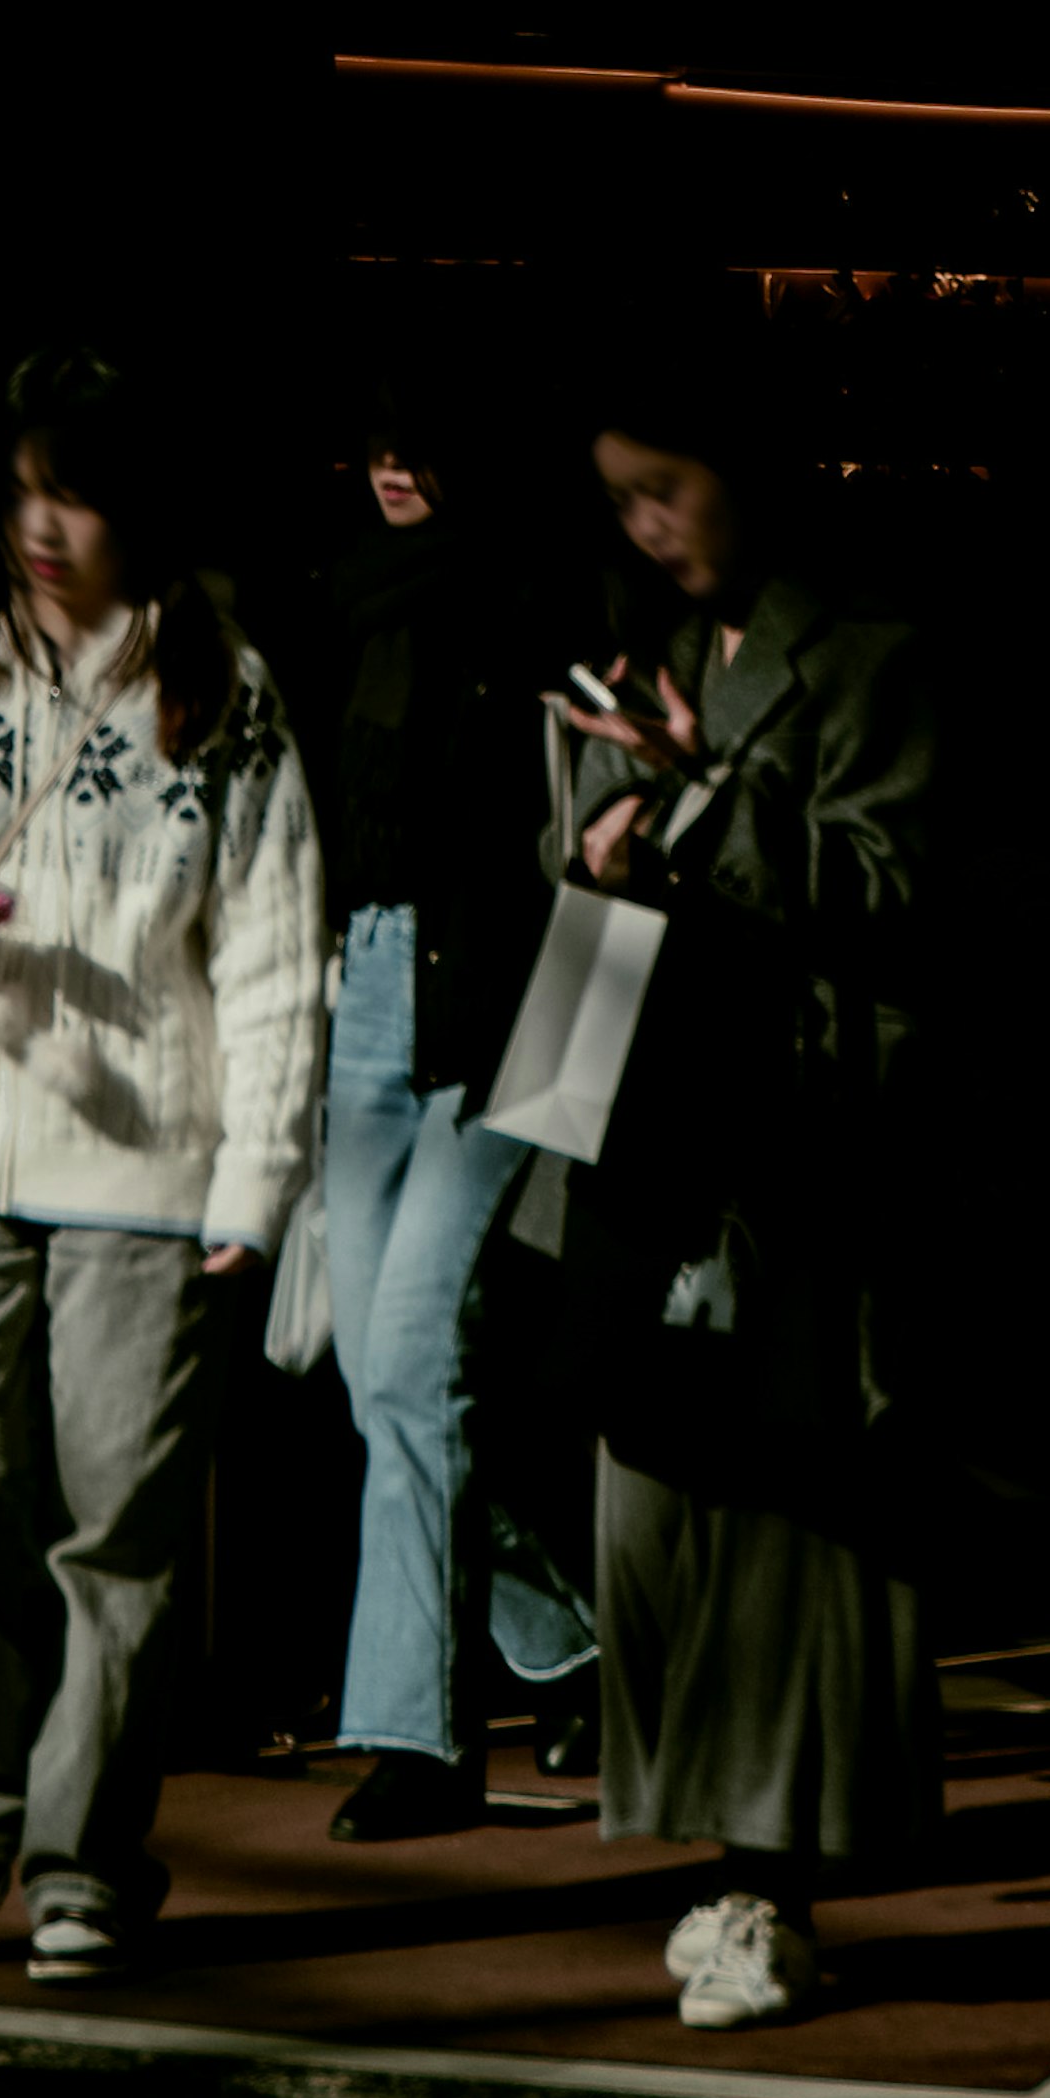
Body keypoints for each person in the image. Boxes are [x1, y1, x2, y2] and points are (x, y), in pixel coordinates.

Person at [0, 350, 323, 1991]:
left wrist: (255, 1182)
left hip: (146, 1157)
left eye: (82, 490)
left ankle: (84, 1854)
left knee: (119, 1516)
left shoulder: (226, 689)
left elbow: (270, 949)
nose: (44, 522)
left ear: (142, 509)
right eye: (26, 483)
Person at [541, 311, 940, 2036]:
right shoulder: (638, 652)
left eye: (667, 487)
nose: (644, 524)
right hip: (655, 1136)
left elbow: (901, 894)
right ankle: (725, 1867)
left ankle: (769, 1880)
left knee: (777, 1524)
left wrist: (707, 804)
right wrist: (594, 843)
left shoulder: (866, 654)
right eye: (621, 497)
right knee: (663, 1505)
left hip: (793, 1145)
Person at [311, 383, 593, 1834]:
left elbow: (604, 838)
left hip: (504, 1015)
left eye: (423, 437)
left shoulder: (539, 601)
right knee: (382, 1375)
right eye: (374, 439)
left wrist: (573, 1081)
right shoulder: (341, 608)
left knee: (414, 1358)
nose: (397, 466)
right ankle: (558, 1635)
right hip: (364, 993)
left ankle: (419, 1737)